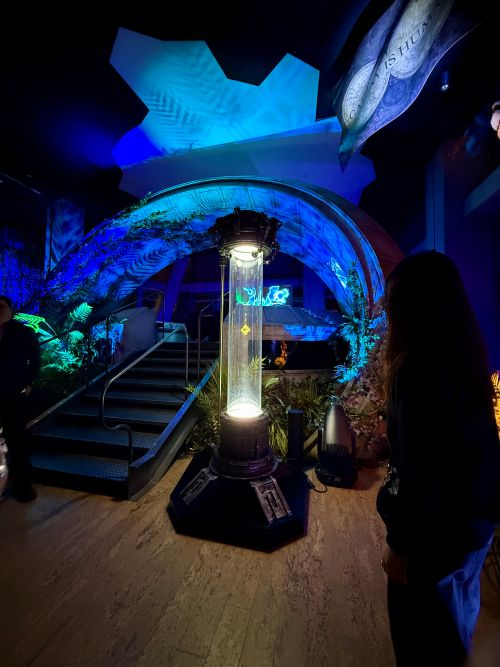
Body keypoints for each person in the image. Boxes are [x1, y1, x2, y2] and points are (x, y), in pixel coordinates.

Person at [376, 251, 500, 666]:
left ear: (410, 312)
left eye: (392, 307)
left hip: (431, 538)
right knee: (454, 628)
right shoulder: (466, 360)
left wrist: (401, 545)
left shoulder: (415, 370)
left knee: (421, 641)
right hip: (473, 526)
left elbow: (421, 471)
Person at [0, 295, 41, 502]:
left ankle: (23, 488)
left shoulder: (23, 332)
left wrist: (26, 383)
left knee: (16, 440)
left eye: (2, 307)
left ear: (10, 309)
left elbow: (35, 361)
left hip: (12, 393)